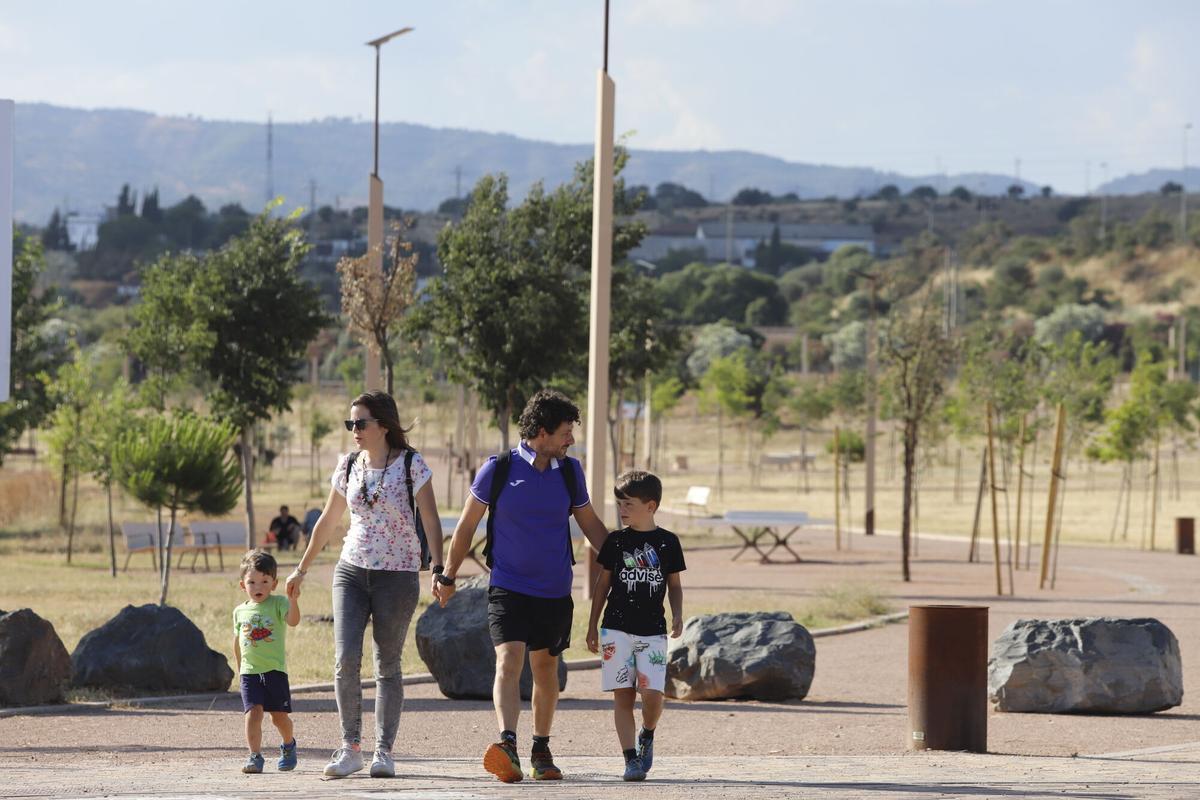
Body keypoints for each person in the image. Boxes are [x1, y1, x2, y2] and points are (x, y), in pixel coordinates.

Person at [435, 389, 610, 783]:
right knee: (508, 660)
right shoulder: (497, 468)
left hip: (553, 590)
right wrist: (447, 575)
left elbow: (591, 525)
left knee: (546, 669)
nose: (571, 440)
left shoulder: (570, 471)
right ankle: (508, 743)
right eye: (566, 432)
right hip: (509, 586)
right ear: (543, 431)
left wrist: (627, 557)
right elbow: (465, 527)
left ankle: (541, 747)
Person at [285, 391, 445, 779]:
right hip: (351, 571)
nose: (354, 430)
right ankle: (350, 748)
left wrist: (439, 568)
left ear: (384, 425)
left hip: (398, 575)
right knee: (345, 661)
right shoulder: (348, 465)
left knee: (387, 665)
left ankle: (383, 752)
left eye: (361, 423)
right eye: (350, 424)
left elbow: (431, 520)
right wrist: (301, 569)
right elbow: (328, 519)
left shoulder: (411, 464)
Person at [586, 470, 685, 782]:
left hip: (653, 630)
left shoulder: (668, 543)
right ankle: (630, 760)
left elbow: (675, 585)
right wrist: (592, 626)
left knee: (652, 694)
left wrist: (678, 613)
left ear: (651, 506)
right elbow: (602, 586)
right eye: (619, 504)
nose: (622, 509)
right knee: (623, 695)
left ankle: (648, 732)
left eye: (628, 503)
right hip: (615, 628)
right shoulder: (616, 542)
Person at [234, 549, 301, 774]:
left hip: (274, 671)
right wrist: (240, 669)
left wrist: (292, 599)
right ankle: (255, 756)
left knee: (279, 718)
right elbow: (237, 642)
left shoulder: (278, 603)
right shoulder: (239, 611)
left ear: (274, 583)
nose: (258, 587)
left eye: (264, 581)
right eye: (252, 582)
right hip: (250, 673)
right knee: (253, 714)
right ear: (243, 585)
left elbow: (293, 621)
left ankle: (289, 744)